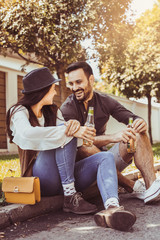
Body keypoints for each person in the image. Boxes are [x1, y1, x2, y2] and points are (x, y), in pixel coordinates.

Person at [6, 67, 136, 231]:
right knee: (67, 131)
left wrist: (80, 130)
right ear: (43, 91)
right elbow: (27, 135)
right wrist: (70, 129)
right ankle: (69, 196)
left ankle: (112, 208)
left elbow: (73, 142)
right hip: (42, 179)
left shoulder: (53, 111)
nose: (55, 92)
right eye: (52, 88)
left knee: (105, 158)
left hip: (67, 175)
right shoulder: (18, 112)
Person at [60, 61, 160, 207]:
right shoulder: (67, 108)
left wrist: (140, 122)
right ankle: (131, 186)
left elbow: (129, 117)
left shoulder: (104, 101)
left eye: (79, 82)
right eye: (71, 83)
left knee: (137, 132)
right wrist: (113, 137)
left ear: (91, 80)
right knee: (85, 147)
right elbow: (80, 143)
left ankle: (151, 188)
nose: (75, 88)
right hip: (84, 171)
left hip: (107, 161)